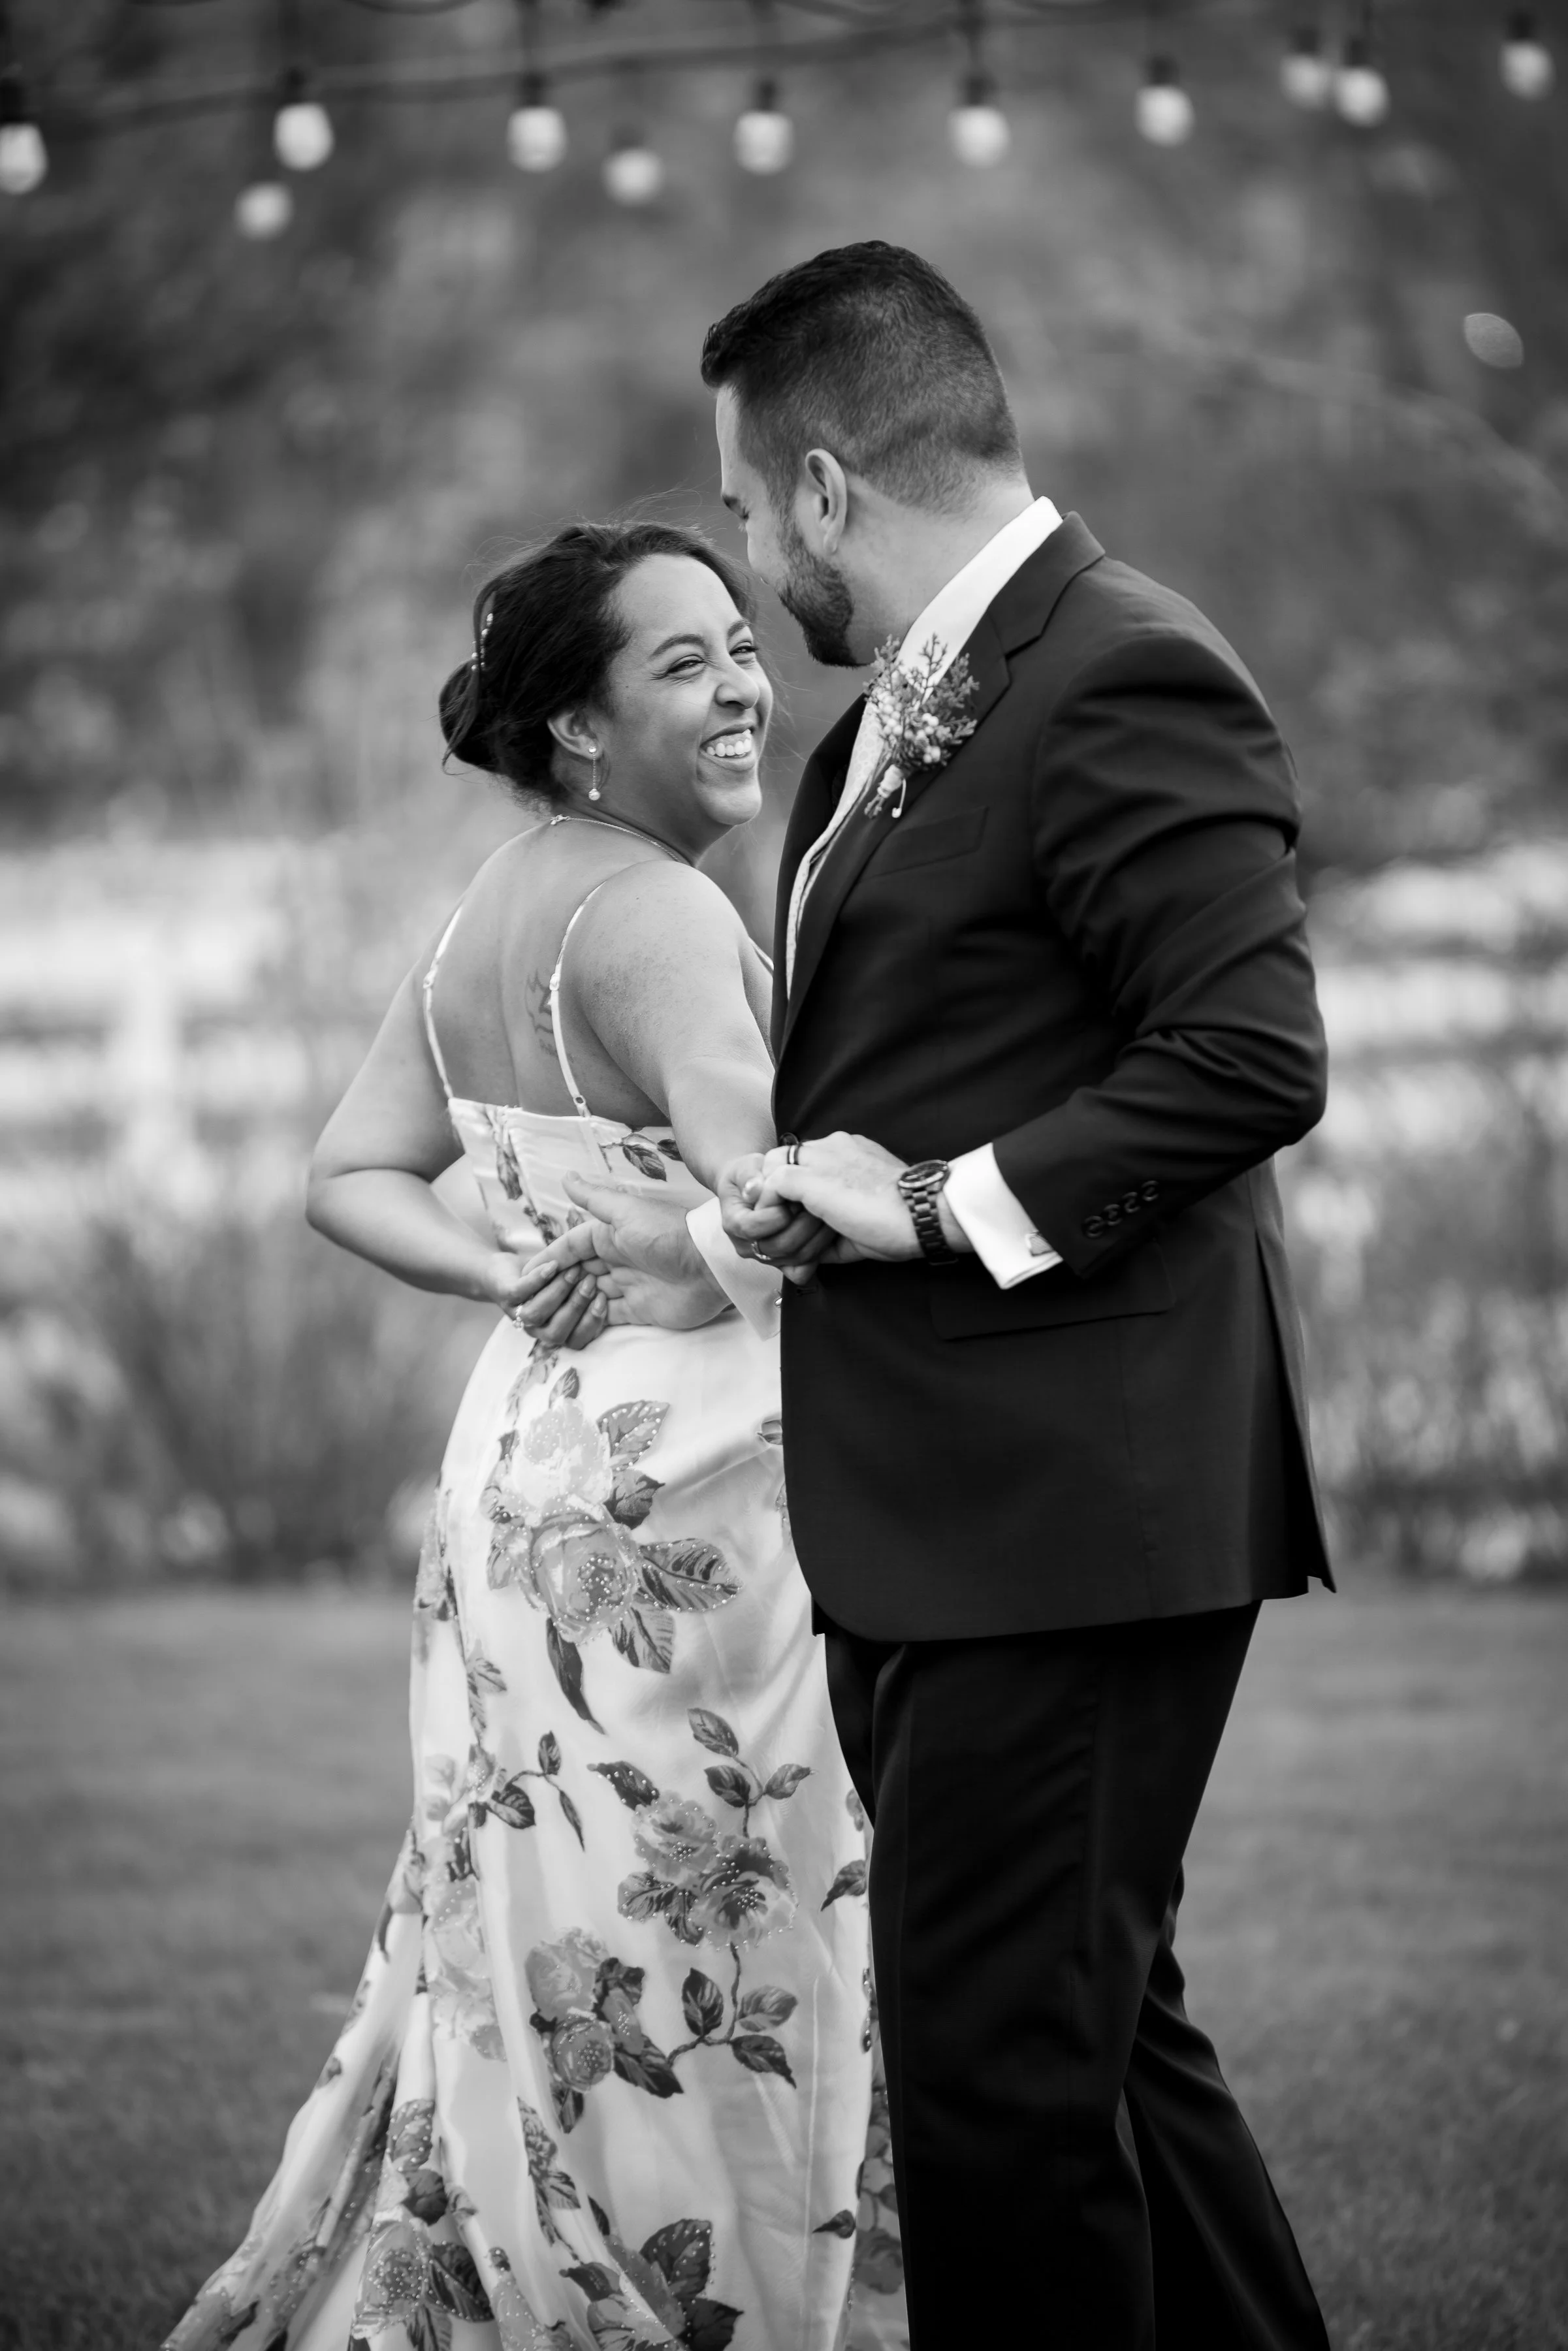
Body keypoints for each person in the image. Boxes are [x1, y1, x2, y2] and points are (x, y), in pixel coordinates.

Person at [533, 246, 1337, 2351]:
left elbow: (1250, 1056)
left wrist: (936, 1206)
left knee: (999, 2095)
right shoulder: (888, 729)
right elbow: (884, 1101)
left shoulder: (1124, 666)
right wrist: (731, 1230)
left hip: (1071, 1519)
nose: (733, 550)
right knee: (1095, 2054)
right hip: (948, 1521)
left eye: (732, 503)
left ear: (817, 482)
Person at [164, 521, 906, 2351]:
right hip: (698, 1505)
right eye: (684, 665)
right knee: (722, 1943)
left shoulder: (499, 902)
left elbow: (350, 1179)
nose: (744, 687)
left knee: (540, 1941)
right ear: (577, 725)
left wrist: (509, 1256)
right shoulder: (655, 912)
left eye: (744, 649)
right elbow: (776, 1208)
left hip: (525, 1483)